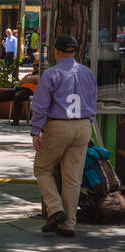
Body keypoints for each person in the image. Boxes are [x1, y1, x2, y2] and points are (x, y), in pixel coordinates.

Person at [31, 35, 98, 238]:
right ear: (75, 52)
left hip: (59, 125)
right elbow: (93, 100)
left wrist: (36, 130)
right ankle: (69, 224)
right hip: (84, 125)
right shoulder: (87, 73)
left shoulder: (52, 74)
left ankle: (55, 209)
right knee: (73, 177)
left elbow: (40, 105)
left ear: (56, 51)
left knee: (42, 168)